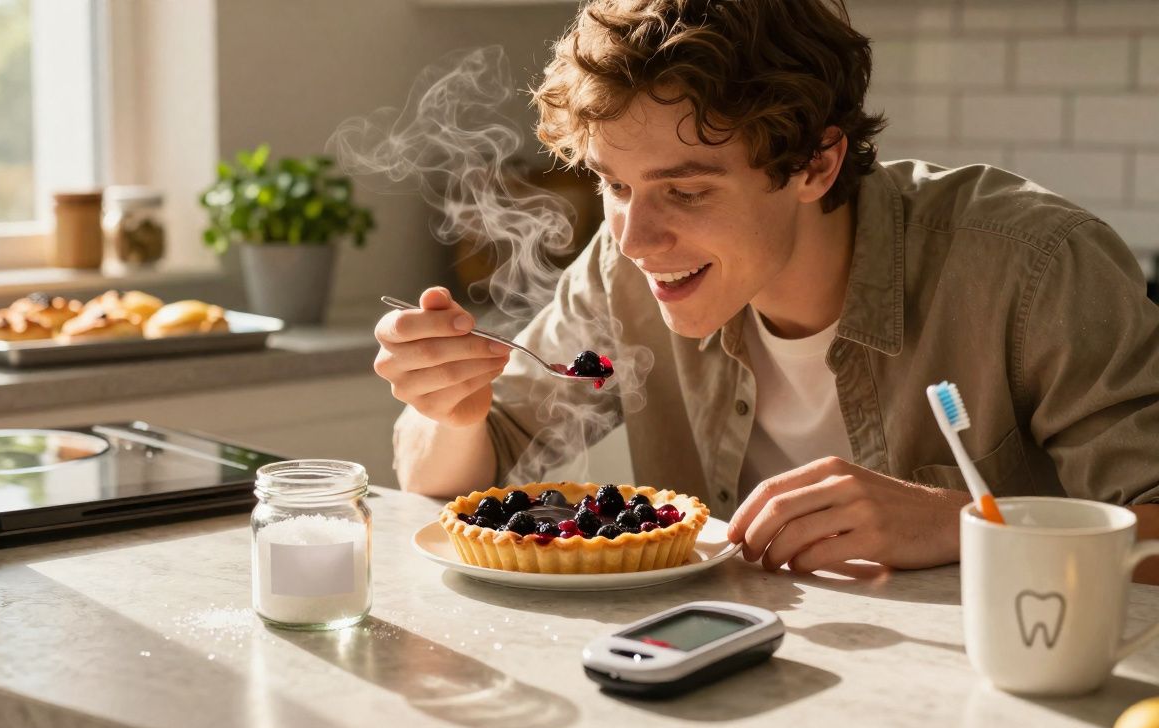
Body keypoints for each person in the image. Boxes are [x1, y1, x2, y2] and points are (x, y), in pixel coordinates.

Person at [373, 0, 1159, 580]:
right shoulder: (625, 275)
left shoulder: (1032, 265)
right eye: (615, 185)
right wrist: (454, 410)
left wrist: (968, 525)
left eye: (685, 192)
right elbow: (446, 483)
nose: (635, 239)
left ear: (815, 164)